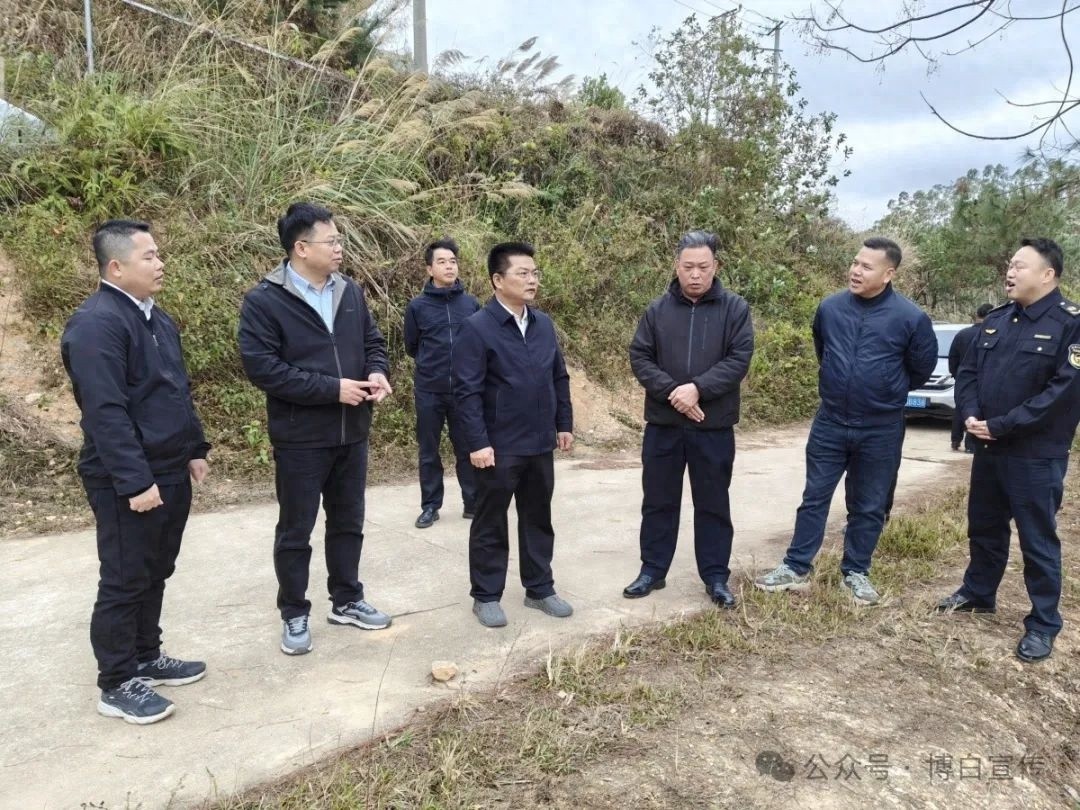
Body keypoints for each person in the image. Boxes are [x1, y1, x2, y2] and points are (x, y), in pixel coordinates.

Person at [61, 219, 210, 725]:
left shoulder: (155, 318)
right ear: (116, 267)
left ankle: (147, 654)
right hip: (127, 478)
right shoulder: (96, 325)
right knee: (125, 577)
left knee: (156, 568)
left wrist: (194, 447)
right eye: (148, 256)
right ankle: (117, 681)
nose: (160, 263)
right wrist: (134, 481)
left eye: (158, 254)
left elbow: (175, 389)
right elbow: (105, 412)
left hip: (168, 467)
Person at [238, 202, 393, 656]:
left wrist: (377, 371)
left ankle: (346, 600)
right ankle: (294, 611)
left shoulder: (349, 292)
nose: (340, 248)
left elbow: (372, 342)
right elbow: (263, 369)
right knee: (296, 530)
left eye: (339, 240)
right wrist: (332, 389)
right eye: (332, 241)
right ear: (301, 248)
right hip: (301, 438)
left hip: (352, 432)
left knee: (348, 522)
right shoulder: (265, 301)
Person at [754, 237, 937, 606]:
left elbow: (920, 368)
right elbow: (823, 350)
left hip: (881, 427)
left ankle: (855, 572)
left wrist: (884, 388)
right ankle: (795, 566)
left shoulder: (910, 318)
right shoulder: (831, 308)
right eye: (855, 263)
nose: (855, 271)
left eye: (866, 267)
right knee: (814, 496)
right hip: (831, 421)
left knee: (868, 504)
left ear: (888, 274)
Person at [937, 238, 1080, 663]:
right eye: (1010, 265)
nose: (1010, 272)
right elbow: (968, 372)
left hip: (1035, 453)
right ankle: (979, 593)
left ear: (1048, 275)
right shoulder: (998, 319)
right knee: (984, 526)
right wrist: (970, 414)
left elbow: (1063, 392)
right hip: (988, 447)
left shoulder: (1071, 324)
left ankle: (1043, 623)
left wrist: (1002, 424)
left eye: (1020, 266)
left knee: (1037, 539)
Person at [622, 230, 754, 607]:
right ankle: (652, 570)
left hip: (712, 426)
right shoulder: (657, 310)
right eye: (688, 266)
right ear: (676, 266)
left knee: (713, 503)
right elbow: (640, 357)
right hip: (663, 426)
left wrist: (697, 389)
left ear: (716, 267)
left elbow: (738, 359)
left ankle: (715, 577)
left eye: (703, 267)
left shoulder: (734, 309)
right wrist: (674, 394)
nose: (695, 274)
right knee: (658, 501)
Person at [452, 242, 574, 628]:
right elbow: (466, 391)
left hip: (539, 441)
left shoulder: (543, 324)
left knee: (538, 517)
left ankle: (539, 588)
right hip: (498, 445)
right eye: (522, 273)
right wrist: (477, 442)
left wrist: (563, 423)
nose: (532, 280)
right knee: (490, 520)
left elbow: (558, 376)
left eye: (535, 273)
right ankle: (486, 595)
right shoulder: (477, 328)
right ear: (497, 280)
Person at [404, 238, 480, 529]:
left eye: (453, 261)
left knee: (467, 448)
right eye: (442, 262)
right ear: (429, 269)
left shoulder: (471, 304)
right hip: (429, 390)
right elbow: (412, 346)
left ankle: (473, 503)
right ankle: (430, 506)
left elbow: (479, 345)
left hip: (464, 390)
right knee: (429, 450)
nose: (449, 266)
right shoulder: (417, 307)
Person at [948, 303, 994, 452]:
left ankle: (955, 440)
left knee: (960, 409)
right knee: (976, 412)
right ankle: (970, 445)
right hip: (984, 381)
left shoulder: (962, 334)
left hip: (962, 379)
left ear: (977, 315)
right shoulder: (991, 334)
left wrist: (957, 376)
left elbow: (952, 358)